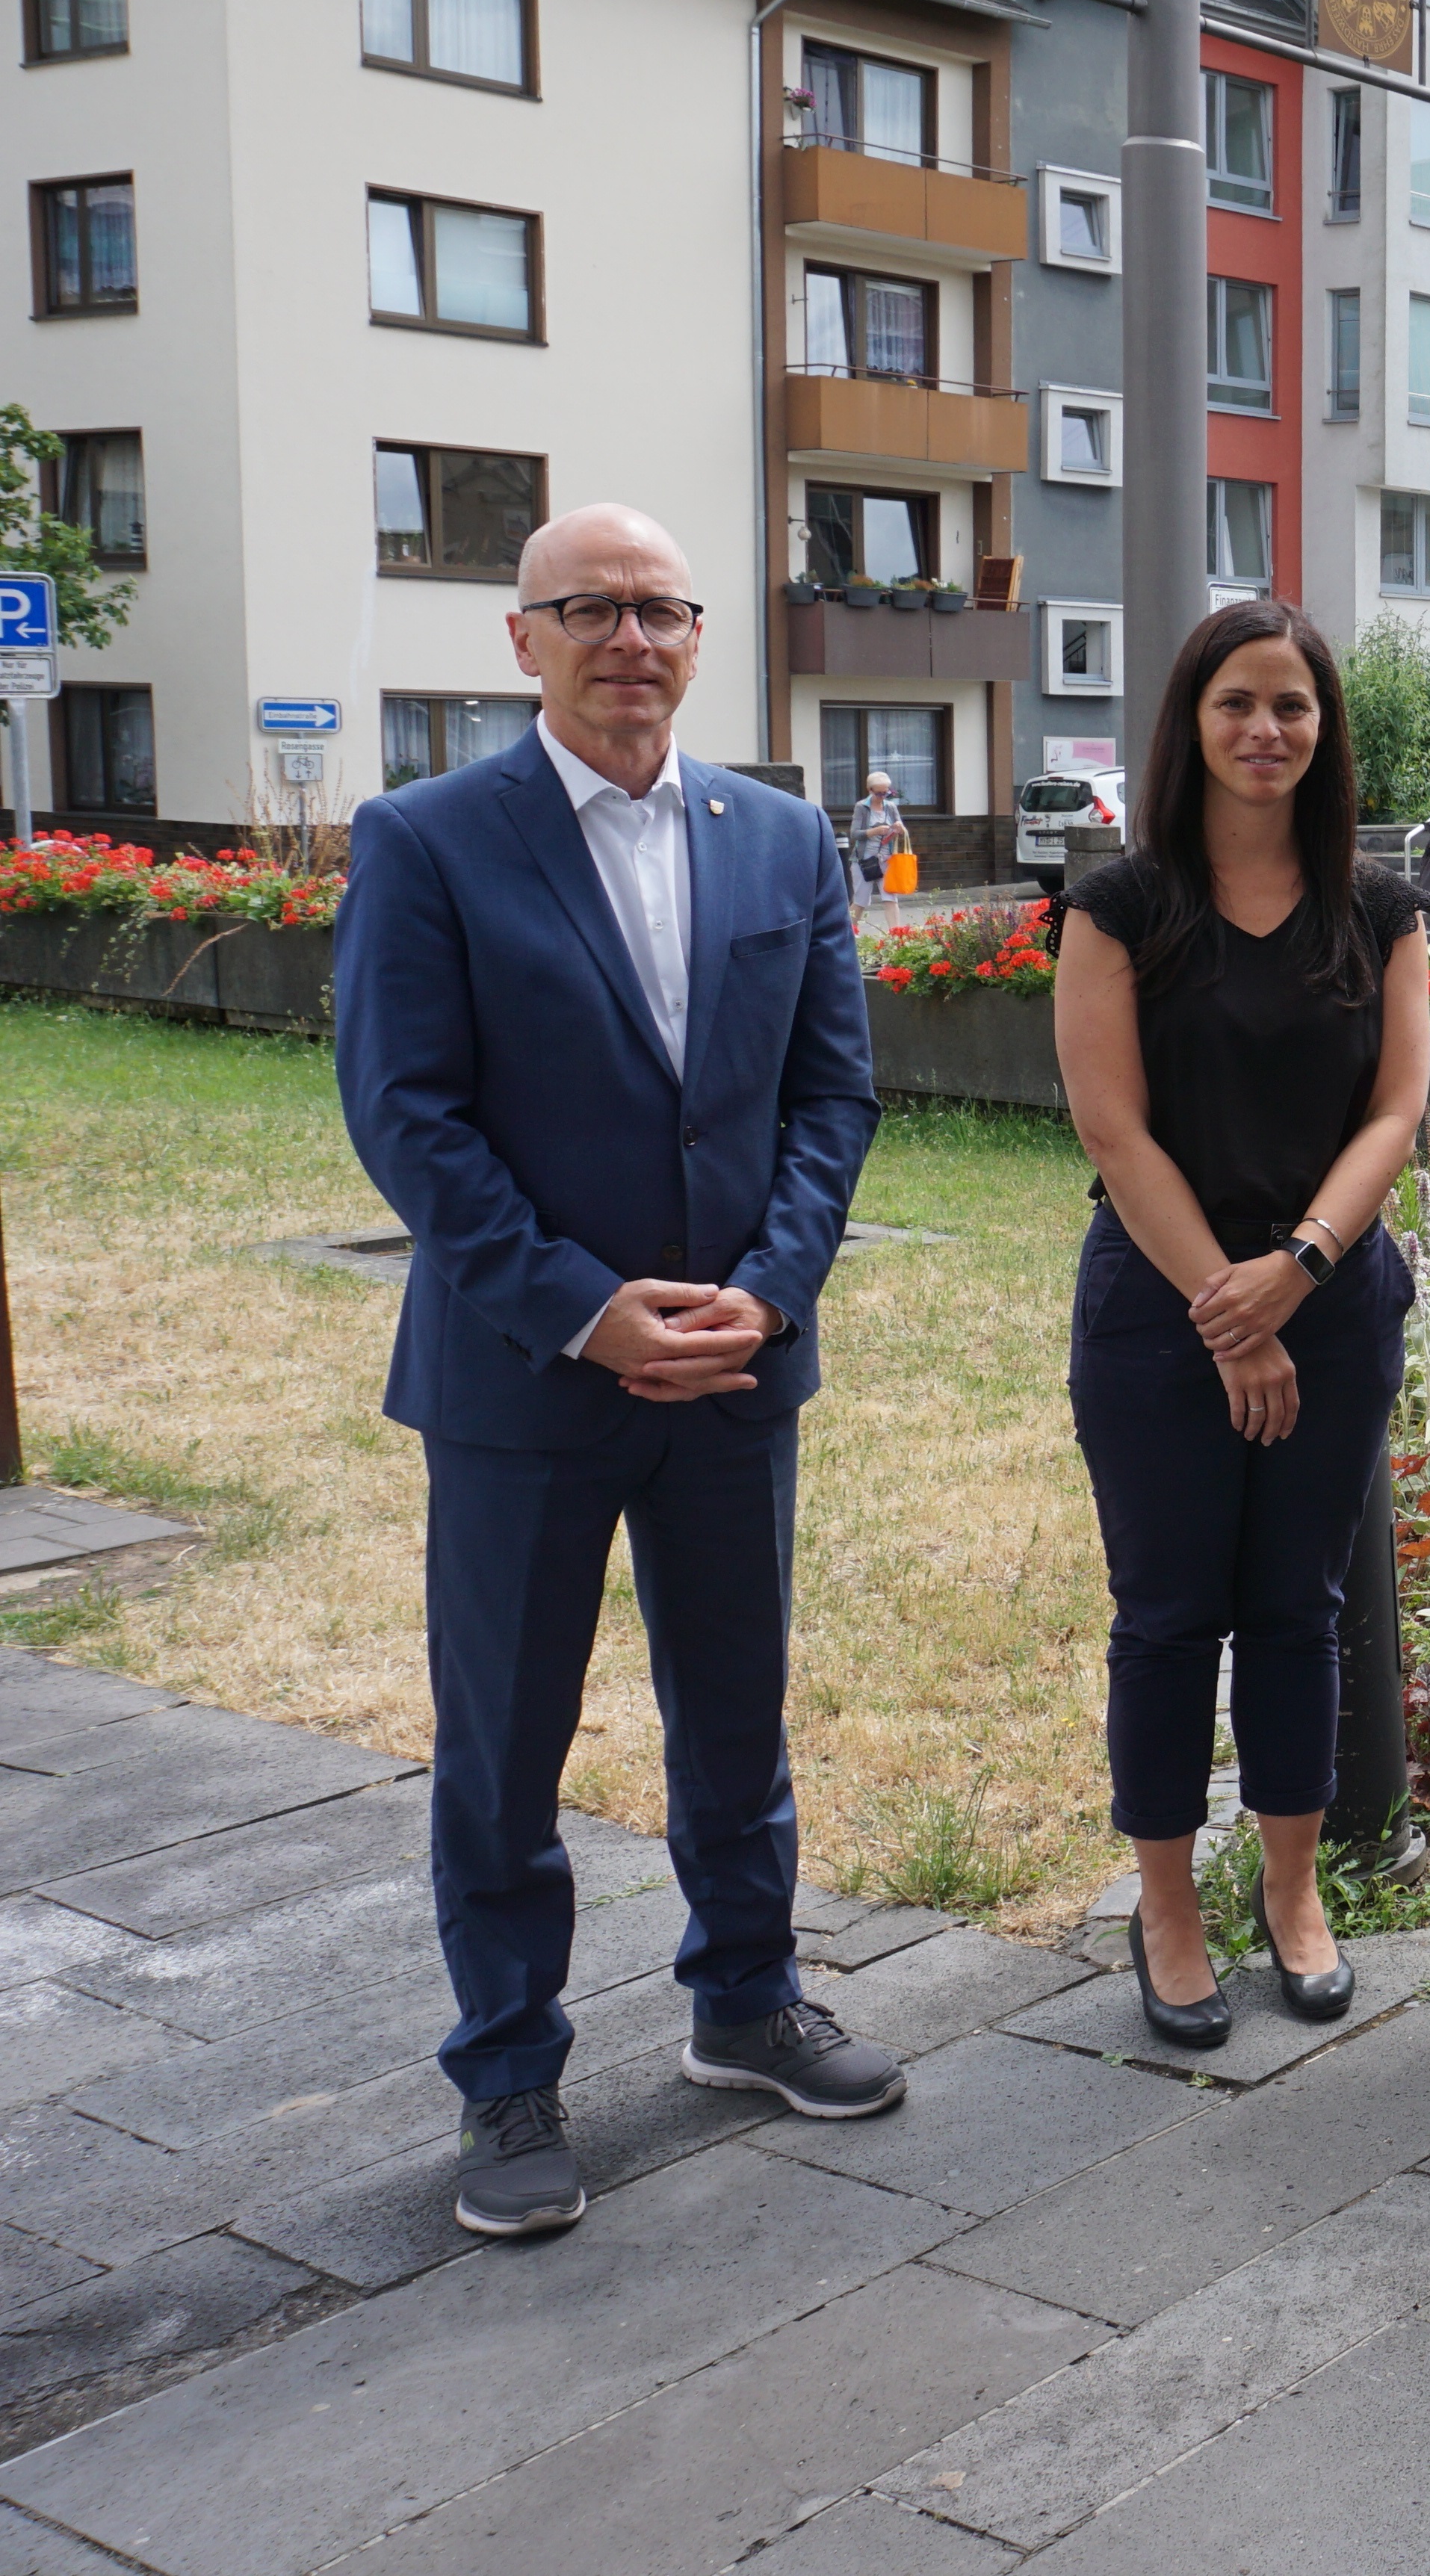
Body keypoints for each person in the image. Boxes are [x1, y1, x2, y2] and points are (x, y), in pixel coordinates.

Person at [334, 503, 902, 2242]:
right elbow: (406, 1116)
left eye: (661, 608)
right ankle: (508, 2075)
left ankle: (746, 1997)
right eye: (591, 607)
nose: (630, 638)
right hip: (527, 1384)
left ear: (699, 636)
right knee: (504, 1744)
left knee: (736, 1709)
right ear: (524, 638)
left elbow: (830, 1097)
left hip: (735, 1373)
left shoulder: (782, 835)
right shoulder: (429, 839)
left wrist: (768, 1294)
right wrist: (588, 1308)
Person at [1053, 603, 1430, 2049]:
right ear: (1190, 724)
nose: (1266, 731)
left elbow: (1396, 1107)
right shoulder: (1121, 906)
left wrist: (1303, 1267)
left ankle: (1292, 1896)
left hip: (1330, 1310)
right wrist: (1233, 1304)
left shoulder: (1379, 908)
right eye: (1237, 704)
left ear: (1324, 731)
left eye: (1293, 706)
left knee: (1298, 1610)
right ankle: (1167, 1908)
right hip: (1161, 1316)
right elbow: (1111, 1121)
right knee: (1165, 1620)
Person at [845, 769, 907, 908]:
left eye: (886, 793)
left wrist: (899, 828)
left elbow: (902, 830)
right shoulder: (861, 807)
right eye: (879, 793)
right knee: (860, 902)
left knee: (890, 898)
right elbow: (854, 834)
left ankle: (895, 930)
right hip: (865, 859)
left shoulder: (891, 807)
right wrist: (874, 831)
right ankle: (851, 929)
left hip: (886, 858)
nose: (882, 797)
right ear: (870, 790)